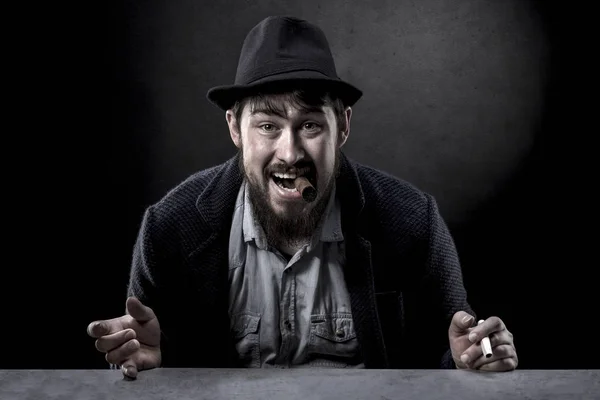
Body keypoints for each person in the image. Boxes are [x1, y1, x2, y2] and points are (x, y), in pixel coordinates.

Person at [87, 15, 518, 379]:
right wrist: (150, 367)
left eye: (310, 125)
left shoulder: (412, 222)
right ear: (235, 128)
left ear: (343, 126)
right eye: (268, 125)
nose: (290, 153)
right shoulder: (169, 229)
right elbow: (145, 364)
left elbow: (449, 360)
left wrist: (470, 360)